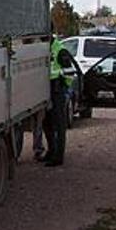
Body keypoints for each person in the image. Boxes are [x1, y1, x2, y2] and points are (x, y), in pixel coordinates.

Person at [41, 36, 75, 167]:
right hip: (46, 90)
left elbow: (69, 72)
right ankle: (51, 151)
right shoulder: (44, 47)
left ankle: (58, 156)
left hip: (57, 90)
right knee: (47, 123)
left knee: (59, 125)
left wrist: (63, 87)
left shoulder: (60, 50)